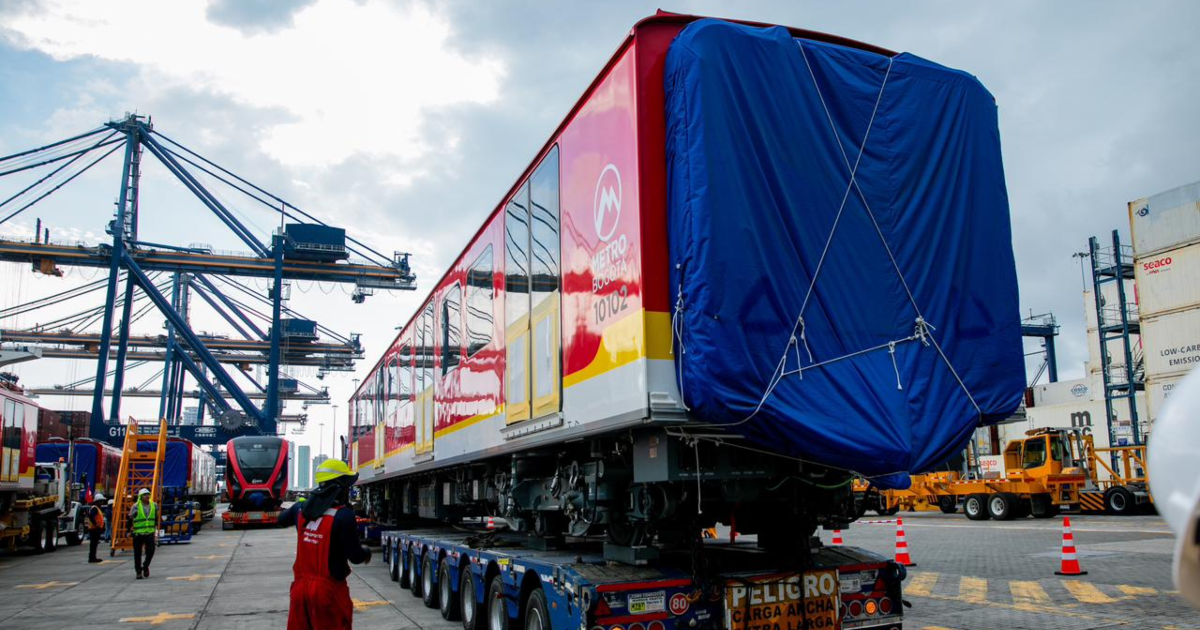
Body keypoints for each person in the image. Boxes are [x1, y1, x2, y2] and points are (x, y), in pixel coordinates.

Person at [278, 459, 371, 630]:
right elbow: (355, 557)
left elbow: (281, 520)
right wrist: (366, 552)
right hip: (328, 593)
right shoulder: (343, 516)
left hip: (299, 591)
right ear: (340, 487)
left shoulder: (301, 509)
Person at [129, 488, 158, 579]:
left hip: (149, 533)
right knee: (137, 554)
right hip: (138, 534)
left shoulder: (154, 505)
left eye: (148, 494)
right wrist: (128, 531)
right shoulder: (136, 506)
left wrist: (156, 529)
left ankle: (145, 566)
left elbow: (156, 518)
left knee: (151, 551)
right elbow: (130, 519)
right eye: (145, 495)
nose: (147, 496)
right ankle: (138, 571)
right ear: (140, 496)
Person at [86, 493, 106, 563]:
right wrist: (96, 524)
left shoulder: (96, 508)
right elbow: (91, 516)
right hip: (94, 529)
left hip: (95, 529)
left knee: (94, 544)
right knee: (93, 544)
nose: (102, 502)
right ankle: (92, 558)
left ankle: (93, 557)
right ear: (98, 501)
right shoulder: (95, 508)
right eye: (101, 501)